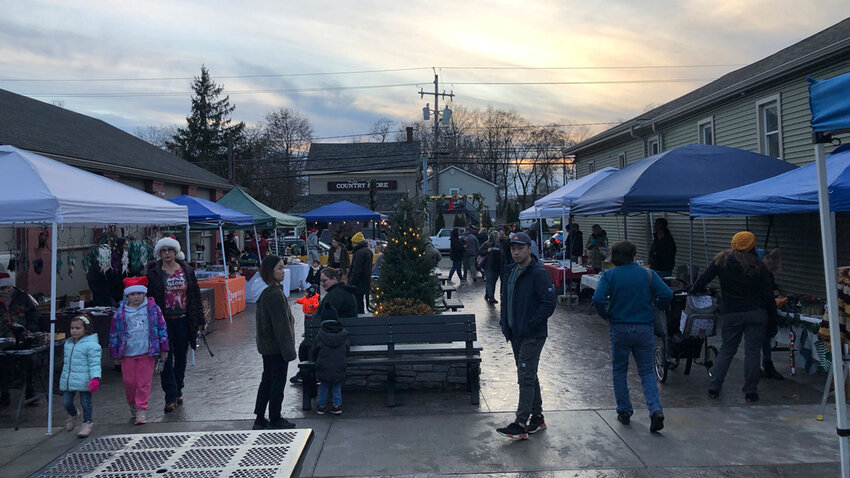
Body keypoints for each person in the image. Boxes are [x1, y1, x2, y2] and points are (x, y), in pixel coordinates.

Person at [592, 240, 672, 433]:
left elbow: (597, 299)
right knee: (646, 371)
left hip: (619, 327)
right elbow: (667, 294)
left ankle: (625, 410)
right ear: (634, 255)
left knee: (620, 370)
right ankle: (655, 410)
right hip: (644, 328)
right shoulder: (647, 274)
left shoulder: (610, 275)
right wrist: (658, 307)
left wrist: (607, 315)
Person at [691, 231, 776, 402]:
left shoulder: (721, 261)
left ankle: (714, 386)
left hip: (732, 313)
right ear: (752, 246)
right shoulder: (759, 266)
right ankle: (750, 391)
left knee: (727, 350)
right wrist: (773, 320)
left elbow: (703, 279)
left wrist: (693, 290)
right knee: (752, 352)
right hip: (757, 313)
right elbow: (768, 296)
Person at [496, 232, 556, 440]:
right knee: (529, 374)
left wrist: (531, 324)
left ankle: (521, 422)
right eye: (513, 248)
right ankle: (537, 417)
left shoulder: (538, 272)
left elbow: (549, 303)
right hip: (515, 333)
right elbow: (505, 298)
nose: (516, 252)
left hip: (532, 334)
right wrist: (505, 323)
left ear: (530, 249)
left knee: (525, 376)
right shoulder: (511, 271)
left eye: (520, 248)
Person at [146, 236, 204, 413]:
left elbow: (195, 294)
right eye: (163, 251)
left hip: (183, 320)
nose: (166, 254)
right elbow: (149, 298)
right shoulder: (154, 273)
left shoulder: (186, 269)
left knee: (180, 356)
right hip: (163, 322)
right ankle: (170, 395)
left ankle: (179, 387)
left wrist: (200, 319)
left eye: (169, 250)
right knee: (165, 358)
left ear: (175, 251)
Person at [109, 276, 169, 425]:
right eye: (132, 294)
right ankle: (132, 404)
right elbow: (114, 334)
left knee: (143, 383)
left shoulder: (153, 310)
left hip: (147, 353)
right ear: (127, 295)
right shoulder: (120, 313)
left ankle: (141, 409)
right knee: (129, 382)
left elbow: (162, 329)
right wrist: (115, 354)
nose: (136, 297)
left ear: (144, 294)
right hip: (127, 353)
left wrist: (164, 348)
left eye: (139, 294)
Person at [291, 268, 357, 385]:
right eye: (321, 281)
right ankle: (307, 373)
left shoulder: (336, 294)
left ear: (334, 279)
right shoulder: (338, 291)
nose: (322, 284)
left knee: (305, 346)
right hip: (342, 332)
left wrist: (313, 326)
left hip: (337, 336)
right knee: (306, 344)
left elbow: (325, 316)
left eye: (324, 281)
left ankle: (307, 374)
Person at [253, 255, 297, 430]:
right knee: (277, 381)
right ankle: (275, 416)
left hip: (267, 345)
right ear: (270, 271)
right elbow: (281, 326)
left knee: (267, 380)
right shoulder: (273, 293)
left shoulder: (265, 290)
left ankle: (260, 416)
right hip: (276, 347)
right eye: (279, 268)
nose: (283, 271)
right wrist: (288, 350)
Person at [0, 267, 40, 407]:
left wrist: (31, 329)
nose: (4, 292)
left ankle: (30, 393)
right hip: (3, 341)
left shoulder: (22, 297)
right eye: (1, 289)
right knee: (2, 367)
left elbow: (33, 314)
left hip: (23, 338)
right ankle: (4, 395)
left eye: (5, 288)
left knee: (27, 365)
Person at [60, 314, 102, 438]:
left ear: (86, 329)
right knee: (66, 402)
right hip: (69, 379)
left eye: (78, 328)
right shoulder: (68, 343)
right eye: (72, 328)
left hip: (85, 379)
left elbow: (94, 363)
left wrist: (95, 378)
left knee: (85, 401)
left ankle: (87, 422)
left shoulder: (92, 345)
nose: (74, 331)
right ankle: (73, 414)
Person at [311, 304, 350, 415]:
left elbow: (314, 350)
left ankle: (321, 406)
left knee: (324, 385)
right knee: (336, 385)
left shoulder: (320, 335)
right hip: (339, 364)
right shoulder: (343, 334)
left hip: (323, 364)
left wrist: (316, 360)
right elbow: (347, 349)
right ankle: (337, 406)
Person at [761, 248, 783, 380]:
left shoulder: (768, 274)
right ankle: (765, 365)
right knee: (762, 340)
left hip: (766, 310)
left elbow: (773, 287)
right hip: (762, 310)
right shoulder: (759, 274)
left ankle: (766, 364)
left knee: (765, 339)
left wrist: (775, 290)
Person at [347, 232, 373, 314]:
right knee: (361, 302)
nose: (352, 244)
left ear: (357, 243)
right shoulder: (368, 251)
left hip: (358, 283)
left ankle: (359, 319)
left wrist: (351, 283)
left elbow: (356, 270)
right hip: (365, 280)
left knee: (358, 303)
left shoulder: (359, 253)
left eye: (353, 242)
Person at [479, 231, 502, 304]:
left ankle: (487, 294)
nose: (499, 237)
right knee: (490, 282)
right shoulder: (486, 244)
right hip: (489, 266)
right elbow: (480, 251)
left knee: (493, 282)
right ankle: (491, 297)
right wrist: (487, 251)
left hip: (497, 267)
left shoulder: (500, 244)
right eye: (498, 236)